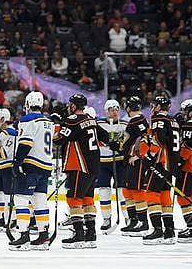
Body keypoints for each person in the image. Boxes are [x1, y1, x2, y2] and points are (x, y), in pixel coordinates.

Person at [8, 91, 55, 251]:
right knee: (40, 200)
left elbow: (26, 143)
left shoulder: (27, 119)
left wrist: (17, 161)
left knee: (21, 200)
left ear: (27, 104)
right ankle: (43, 236)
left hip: (31, 165)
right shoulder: (48, 121)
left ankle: (23, 235)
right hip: (46, 165)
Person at [54, 94, 100, 249]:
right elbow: (105, 137)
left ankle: (79, 234)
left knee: (74, 198)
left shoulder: (72, 120)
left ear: (73, 106)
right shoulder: (91, 120)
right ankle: (91, 234)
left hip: (79, 165)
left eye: (70, 105)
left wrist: (57, 124)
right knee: (87, 198)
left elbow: (59, 140)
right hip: (94, 165)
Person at [140, 95, 178, 245]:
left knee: (151, 193)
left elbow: (158, 139)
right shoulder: (172, 120)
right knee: (164, 194)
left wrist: (149, 155)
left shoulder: (158, 119)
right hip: (170, 164)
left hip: (160, 162)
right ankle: (169, 231)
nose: (153, 107)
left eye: (155, 105)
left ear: (159, 107)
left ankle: (157, 230)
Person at [95, 100, 127, 234]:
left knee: (121, 191)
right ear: (106, 111)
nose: (114, 112)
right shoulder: (98, 124)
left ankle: (128, 218)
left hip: (119, 161)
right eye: (111, 109)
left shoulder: (124, 124)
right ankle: (106, 219)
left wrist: (120, 146)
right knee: (104, 191)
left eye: (116, 109)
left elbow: (128, 141)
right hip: (102, 162)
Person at [120, 96, 150, 237]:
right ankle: (133, 220)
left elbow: (147, 138)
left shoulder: (138, 120)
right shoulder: (134, 121)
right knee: (128, 190)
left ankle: (143, 223)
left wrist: (138, 155)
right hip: (129, 160)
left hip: (136, 161)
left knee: (137, 191)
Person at [175, 100, 192, 243]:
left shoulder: (190, 125)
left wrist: (179, 161)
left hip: (188, 167)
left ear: (190, 111)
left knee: (182, 196)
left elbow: (188, 145)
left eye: (185, 111)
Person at [0, 108, 17, 234]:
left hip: (8, 168)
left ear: (2, 119)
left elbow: (3, 154)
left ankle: (11, 219)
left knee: (7, 196)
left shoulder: (9, 133)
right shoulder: (3, 132)